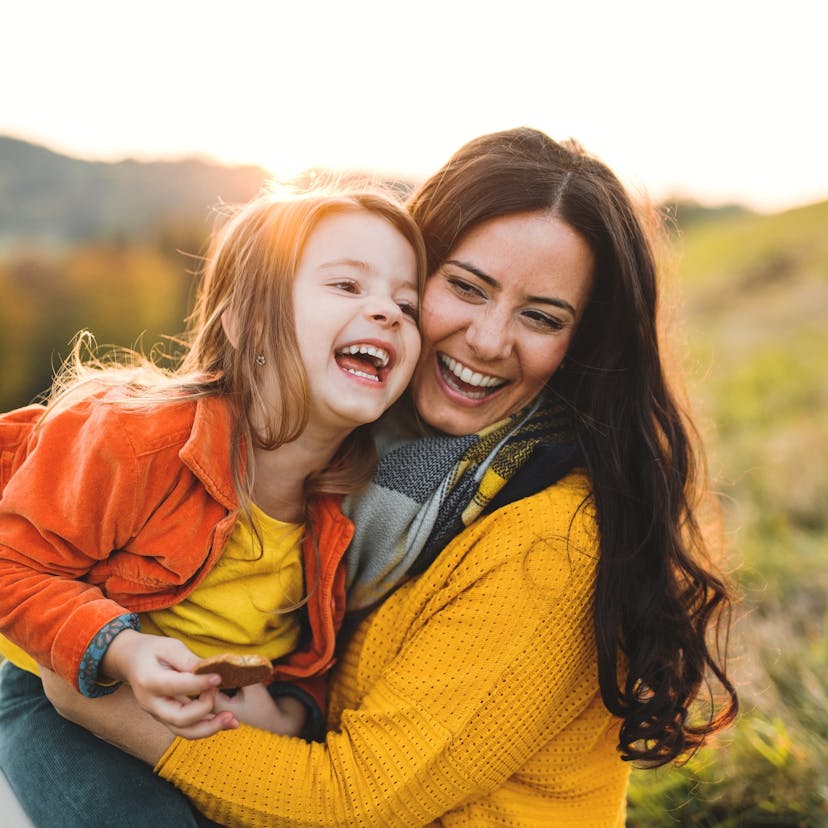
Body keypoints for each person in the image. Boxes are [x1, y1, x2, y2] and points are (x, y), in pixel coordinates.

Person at [41, 126, 737, 827]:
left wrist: (98, 696)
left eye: (542, 317)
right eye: (466, 287)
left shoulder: (548, 542)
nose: (491, 341)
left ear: (580, 346)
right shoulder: (349, 466)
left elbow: (353, 802)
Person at [0, 181, 425, 826]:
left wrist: (284, 712)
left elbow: (311, 657)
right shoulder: (136, 437)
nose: (388, 312)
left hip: (211, 727)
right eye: (347, 286)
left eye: (407, 303)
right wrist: (121, 650)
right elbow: (12, 566)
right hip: (63, 695)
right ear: (247, 319)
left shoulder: (353, 508)